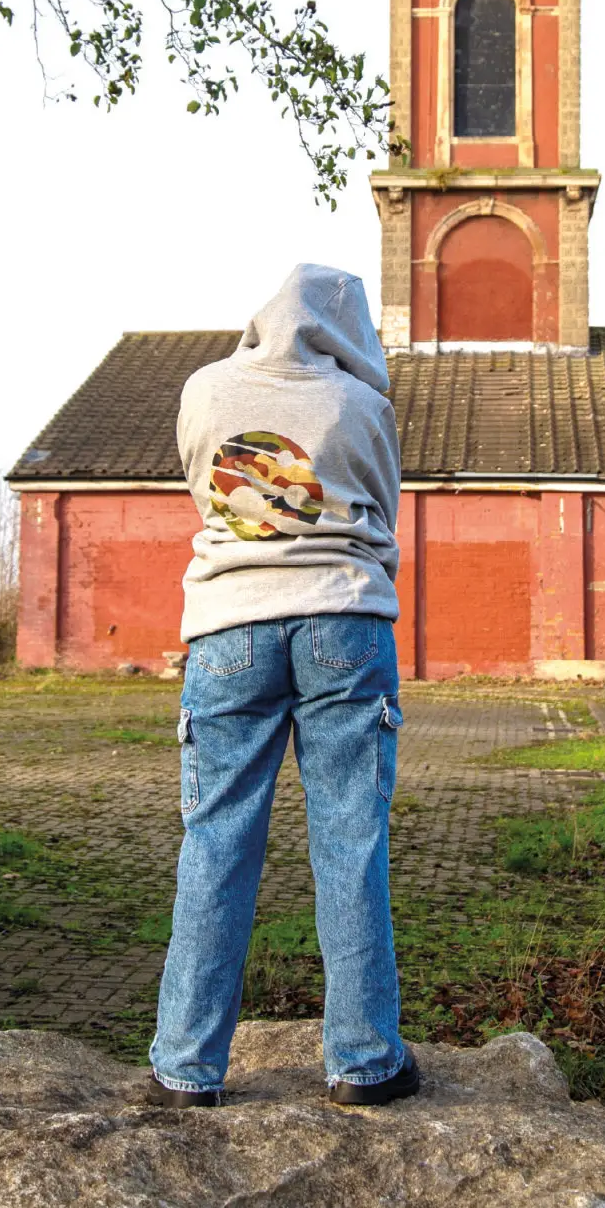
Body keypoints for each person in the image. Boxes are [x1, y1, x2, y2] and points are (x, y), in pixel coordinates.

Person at [146, 263, 418, 1110]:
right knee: (350, 837)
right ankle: (365, 1059)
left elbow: (209, 492)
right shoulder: (361, 405)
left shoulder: (203, 391)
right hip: (344, 618)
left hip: (230, 626)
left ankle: (188, 1065)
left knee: (217, 839)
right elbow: (381, 510)